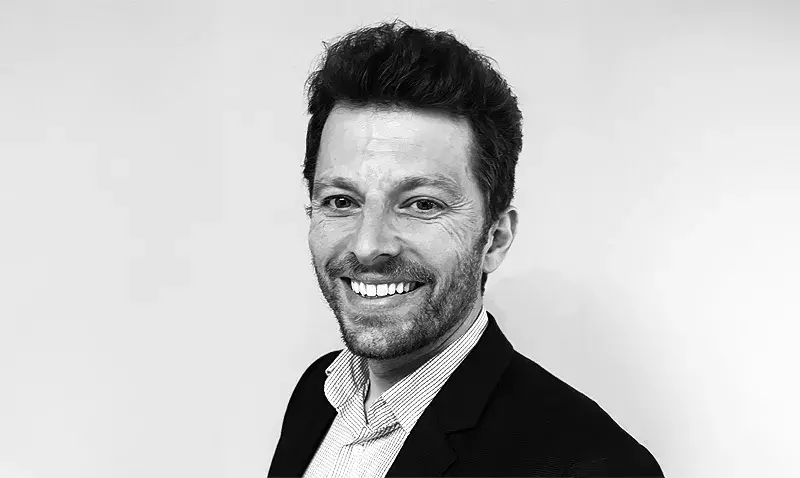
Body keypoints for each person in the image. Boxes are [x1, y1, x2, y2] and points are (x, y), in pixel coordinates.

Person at [269, 20, 663, 478]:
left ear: (495, 238)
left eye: (422, 204)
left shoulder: (594, 467)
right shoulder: (317, 394)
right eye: (342, 201)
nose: (369, 245)